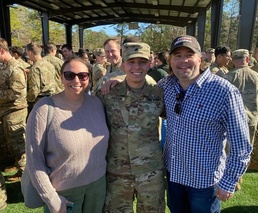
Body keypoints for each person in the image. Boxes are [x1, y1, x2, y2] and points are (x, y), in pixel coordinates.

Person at [157, 35, 252, 213]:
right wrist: (115, 80)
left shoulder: (224, 91)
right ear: (170, 60)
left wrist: (229, 181)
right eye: (177, 55)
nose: (183, 61)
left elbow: (241, 145)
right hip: (174, 176)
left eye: (189, 55)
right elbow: (139, 88)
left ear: (200, 58)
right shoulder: (166, 85)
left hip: (204, 182)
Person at [25, 57, 109, 213]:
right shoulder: (43, 109)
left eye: (82, 75)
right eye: (70, 75)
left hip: (98, 188)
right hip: (65, 194)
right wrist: (52, 199)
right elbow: (34, 160)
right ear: (61, 77)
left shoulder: (96, 103)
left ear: (89, 78)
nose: (76, 80)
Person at [96, 42, 165, 212]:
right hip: (117, 173)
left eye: (142, 62)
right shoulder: (107, 93)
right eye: (131, 62)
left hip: (150, 172)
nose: (137, 67)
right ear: (123, 64)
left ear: (150, 63)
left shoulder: (160, 94)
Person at [226, 49, 258, 170]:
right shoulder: (256, 76)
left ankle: (230, 177)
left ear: (233, 61)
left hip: (232, 120)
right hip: (251, 119)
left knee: (230, 150)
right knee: (246, 150)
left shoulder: (228, 77)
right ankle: (240, 176)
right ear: (247, 59)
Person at [0, 38, 27, 181]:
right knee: (10, 142)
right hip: (6, 110)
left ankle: (25, 173)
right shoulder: (5, 65)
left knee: (18, 143)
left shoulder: (15, 68)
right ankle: (18, 166)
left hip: (15, 110)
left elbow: (17, 93)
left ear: (1, 51)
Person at [26, 42, 58, 109]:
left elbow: (34, 89)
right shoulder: (49, 65)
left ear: (29, 52)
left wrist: (27, 99)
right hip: (53, 98)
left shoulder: (35, 68)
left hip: (40, 101)